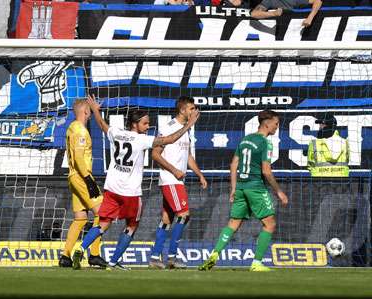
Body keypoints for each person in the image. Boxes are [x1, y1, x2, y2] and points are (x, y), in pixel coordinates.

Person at [72, 95, 200, 270]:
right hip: (130, 192)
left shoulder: (116, 133)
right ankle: (113, 261)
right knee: (132, 226)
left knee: (103, 223)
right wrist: (189, 125)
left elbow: (102, 124)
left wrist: (95, 110)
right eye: (145, 124)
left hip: (111, 188)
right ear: (135, 124)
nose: (148, 127)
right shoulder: (142, 140)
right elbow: (168, 140)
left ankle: (80, 248)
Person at [199, 110, 288, 272]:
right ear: (267, 123)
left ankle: (214, 255)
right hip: (255, 187)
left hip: (240, 186)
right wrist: (279, 191)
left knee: (232, 223)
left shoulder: (245, 140)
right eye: (276, 123)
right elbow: (266, 171)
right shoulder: (266, 143)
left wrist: (233, 188)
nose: (277, 127)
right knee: (269, 224)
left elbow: (233, 165)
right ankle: (256, 263)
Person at [148, 97, 207, 270]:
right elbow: (155, 154)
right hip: (170, 179)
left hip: (177, 181)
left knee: (167, 219)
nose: (195, 111)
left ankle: (154, 257)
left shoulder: (185, 130)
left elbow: (187, 155)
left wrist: (199, 175)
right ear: (182, 110)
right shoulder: (168, 127)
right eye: (192, 108)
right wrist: (174, 171)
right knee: (184, 215)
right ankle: (172, 257)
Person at [59, 98, 107, 269]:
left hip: (73, 176)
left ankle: (65, 256)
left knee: (80, 218)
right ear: (86, 111)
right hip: (81, 176)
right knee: (103, 213)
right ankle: (94, 254)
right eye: (90, 111)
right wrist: (88, 179)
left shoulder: (72, 127)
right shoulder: (80, 130)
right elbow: (79, 157)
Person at [251, 0, 323, 28]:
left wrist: (310, 18)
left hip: (295, 31)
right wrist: (273, 13)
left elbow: (317, 1)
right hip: (277, 34)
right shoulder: (269, 1)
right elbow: (254, 14)